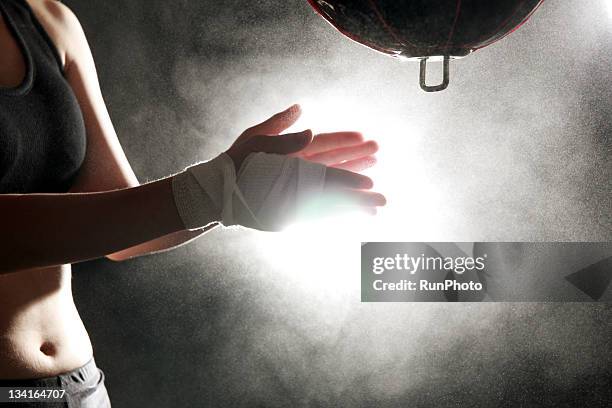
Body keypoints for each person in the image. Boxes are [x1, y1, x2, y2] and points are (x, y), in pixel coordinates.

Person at [0, 0, 385, 406]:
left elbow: (123, 232)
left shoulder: (48, 19)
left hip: (82, 386)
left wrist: (234, 190)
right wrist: (213, 188)